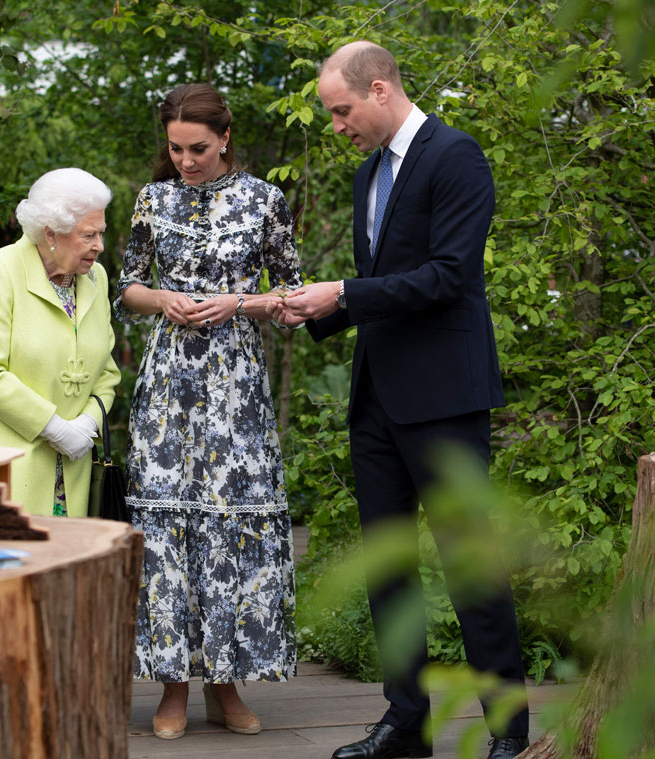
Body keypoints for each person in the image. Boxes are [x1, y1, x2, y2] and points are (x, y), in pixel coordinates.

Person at [270, 42, 529, 759]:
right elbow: (384, 286)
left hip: (445, 399)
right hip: (377, 399)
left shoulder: (457, 157)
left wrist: (344, 292)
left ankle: (508, 733)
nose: (336, 125)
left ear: (379, 90)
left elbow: (446, 276)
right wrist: (314, 311)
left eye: (341, 110)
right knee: (389, 568)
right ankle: (405, 723)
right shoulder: (366, 178)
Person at [115, 83, 302, 741]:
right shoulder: (153, 200)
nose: (186, 159)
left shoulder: (264, 200)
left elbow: (296, 293)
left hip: (236, 388)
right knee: (168, 535)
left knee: (230, 531)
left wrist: (238, 303)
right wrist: (161, 297)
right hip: (169, 389)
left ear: (224, 137)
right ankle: (172, 688)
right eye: (175, 148)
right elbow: (125, 286)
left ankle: (226, 684)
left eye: (198, 148)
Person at [0, 168, 120, 517]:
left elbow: (107, 374)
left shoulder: (96, 279)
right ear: (51, 233)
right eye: (88, 235)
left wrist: (87, 425)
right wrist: (54, 428)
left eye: (101, 234)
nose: (99, 247)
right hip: (8, 466)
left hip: (73, 473)